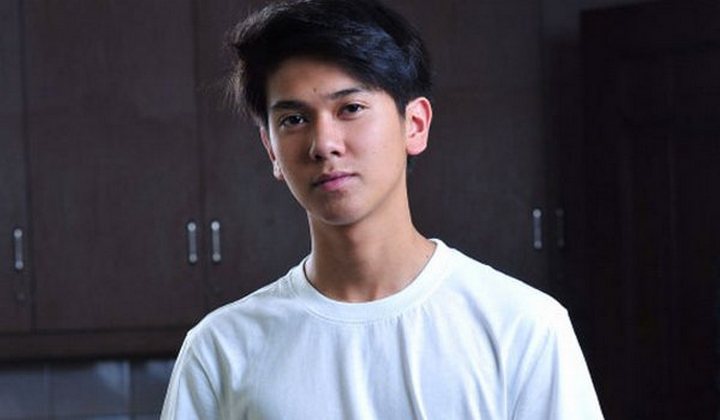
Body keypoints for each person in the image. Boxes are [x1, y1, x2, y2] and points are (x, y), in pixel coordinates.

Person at [161, 0, 604, 418]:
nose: (324, 144)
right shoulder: (221, 350)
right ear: (271, 150)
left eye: (351, 108)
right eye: (294, 120)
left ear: (415, 125)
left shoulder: (522, 326)